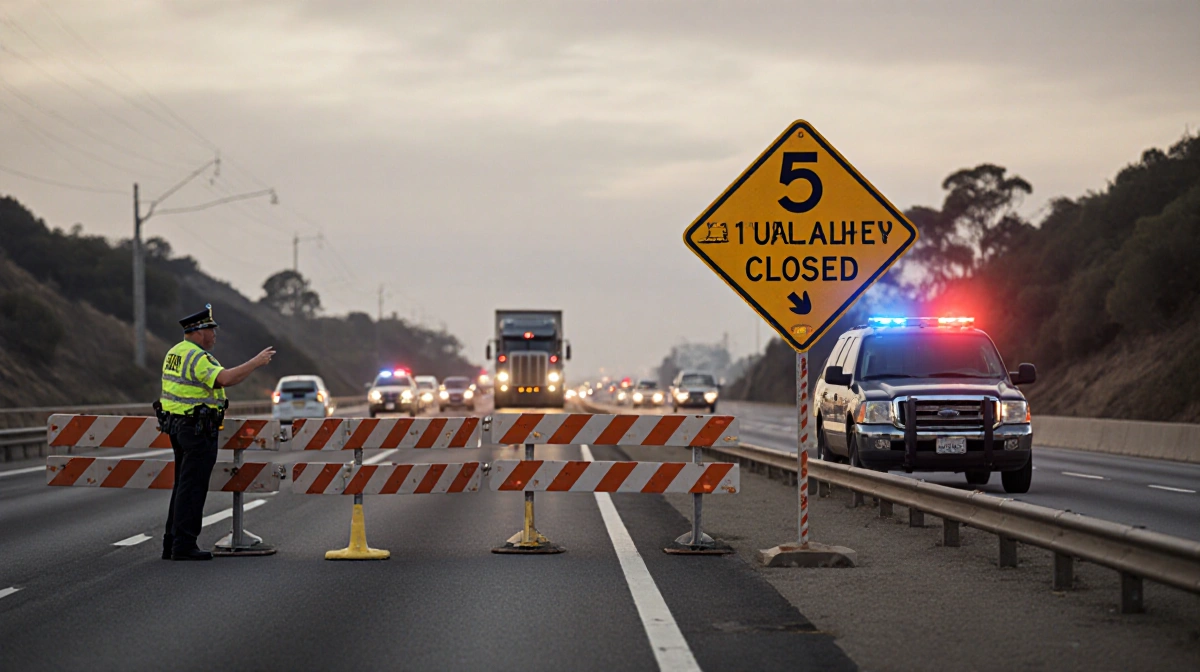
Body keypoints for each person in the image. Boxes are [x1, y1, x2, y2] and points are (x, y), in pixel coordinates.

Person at [156, 304, 275, 561]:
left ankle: (172, 543)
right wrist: (255, 363)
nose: (215, 335)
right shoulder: (197, 357)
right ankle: (184, 545)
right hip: (197, 429)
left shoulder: (174, 352)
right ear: (199, 331)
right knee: (193, 488)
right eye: (212, 330)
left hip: (178, 426)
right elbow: (225, 379)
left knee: (182, 486)